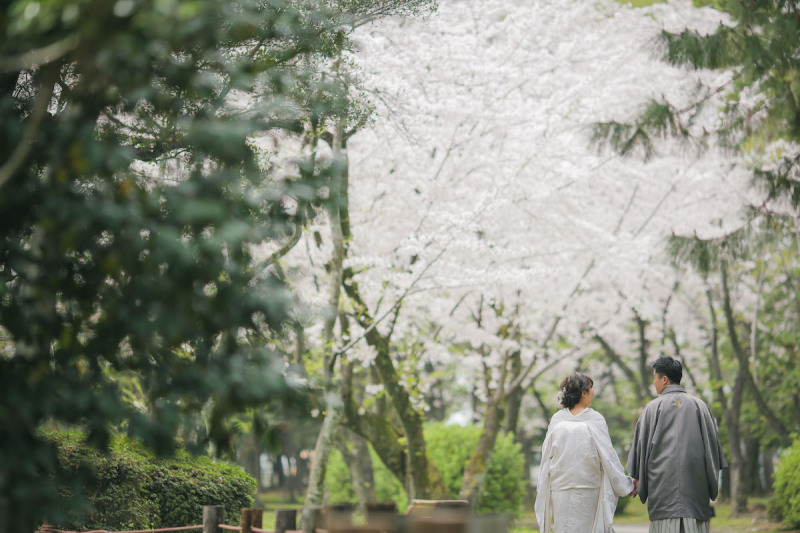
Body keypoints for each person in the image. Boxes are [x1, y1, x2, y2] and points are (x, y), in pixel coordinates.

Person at [627, 356, 728, 533]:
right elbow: (713, 449)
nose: (654, 383)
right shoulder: (700, 406)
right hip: (695, 489)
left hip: (662, 489)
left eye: (655, 378)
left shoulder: (652, 408)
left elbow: (639, 449)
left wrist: (636, 477)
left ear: (664, 379)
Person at [535, 373, 635, 533]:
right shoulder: (594, 419)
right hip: (583, 488)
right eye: (591, 388)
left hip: (567, 488)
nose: (593, 392)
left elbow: (546, 458)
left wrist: (543, 484)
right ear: (583, 393)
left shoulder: (559, 419)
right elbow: (608, 458)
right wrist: (627, 484)